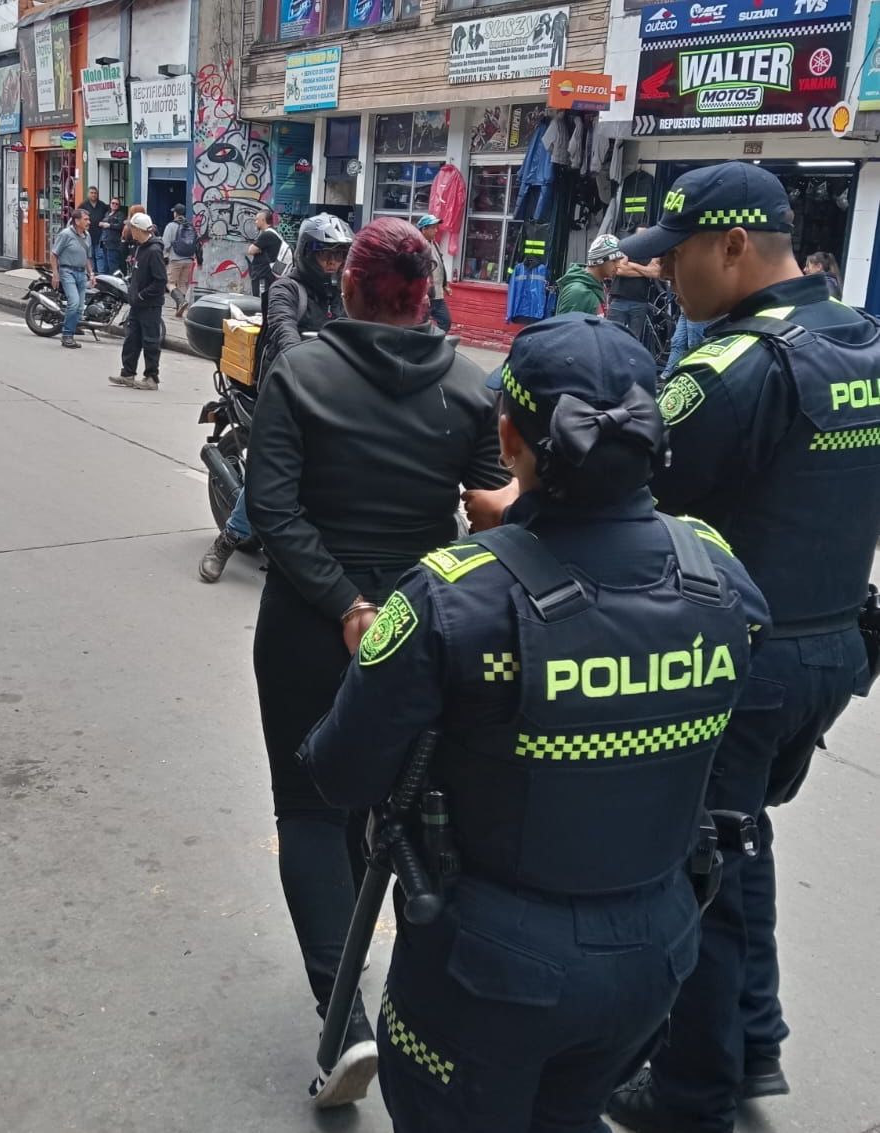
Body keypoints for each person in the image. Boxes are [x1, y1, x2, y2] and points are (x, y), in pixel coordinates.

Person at [301, 312, 770, 1132]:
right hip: (657, 951)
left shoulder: (455, 595)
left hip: (489, 973)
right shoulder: (717, 569)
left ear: (509, 436)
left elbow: (341, 772)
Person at [596, 162, 880, 1133]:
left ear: (728, 247)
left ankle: (690, 1092)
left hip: (737, 668)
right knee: (738, 839)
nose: (665, 275)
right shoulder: (858, 343)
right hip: (833, 649)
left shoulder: (730, 370)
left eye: (673, 256)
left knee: (692, 877)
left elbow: (624, 509)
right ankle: (752, 1040)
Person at [244, 216, 509, 1108]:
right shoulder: (472, 388)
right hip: (429, 623)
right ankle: (418, 1007)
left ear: (349, 290)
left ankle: (345, 1023)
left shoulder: (300, 372)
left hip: (312, 628)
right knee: (404, 806)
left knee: (311, 810)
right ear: (427, 295)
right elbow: (491, 510)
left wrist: (346, 606)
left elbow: (272, 511)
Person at [198, 213, 353, 584]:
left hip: (332, 395)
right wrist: (301, 357)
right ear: (305, 253)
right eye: (324, 255)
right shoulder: (287, 289)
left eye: (337, 255)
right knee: (272, 474)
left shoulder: (343, 293)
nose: (331, 263)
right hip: (286, 392)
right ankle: (227, 540)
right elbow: (284, 330)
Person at [109, 212, 167, 391]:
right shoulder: (139, 247)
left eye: (131, 227)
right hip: (137, 304)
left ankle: (151, 378)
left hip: (149, 305)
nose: (129, 230)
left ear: (138, 229)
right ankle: (128, 373)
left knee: (150, 341)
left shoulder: (154, 251)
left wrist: (141, 295)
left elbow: (160, 281)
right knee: (131, 339)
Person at [51, 209, 95, 349]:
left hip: (81, 274)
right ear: (77, 221)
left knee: (80, 307)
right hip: (67, 271)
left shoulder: (87, 236)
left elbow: (87, 257)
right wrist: (55, 274)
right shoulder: (65, 234)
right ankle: (67, 335)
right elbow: (54, 255)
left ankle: (71, 328)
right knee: (74, 302)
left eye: (88, 219)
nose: (89, 222)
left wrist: (91, 273)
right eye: (86, 219)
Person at [608, 227, 662, 341]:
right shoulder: (625, 249)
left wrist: (632, 266)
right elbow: (620, 270)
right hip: (619, 301)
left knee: (634, 341)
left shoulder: (652, 252)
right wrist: (645, 272)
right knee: (611, 337)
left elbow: (656, 272)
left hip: (640, 302)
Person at [554, 234, 624, 316]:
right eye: (614, 261)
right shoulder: (577, 292)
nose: (619, 265)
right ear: (599, 260)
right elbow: (567, 328)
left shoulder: (598, 285)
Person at [417, 213, 451, 332]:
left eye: (436, 227)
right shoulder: (419, 247)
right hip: (425, 296)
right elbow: (418, 272)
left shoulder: (434, 244)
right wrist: (422, 292)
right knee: (420, 325)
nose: (436, 231)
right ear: (423, 229)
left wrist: (444, 284)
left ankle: (433, 346)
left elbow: (439, 265)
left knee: (445, 322)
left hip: (437, 295)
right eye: (433, 228)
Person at [162, 203, 196, 316]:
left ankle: (181, 301)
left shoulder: (171, 226)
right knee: (182, 284)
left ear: (175, 213)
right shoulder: (190, 225)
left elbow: (165, 244)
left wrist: (164, 256)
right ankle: (179, 310)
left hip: (175, 259)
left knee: (169, 283)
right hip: (189, 259)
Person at [246, 206, 286, 298]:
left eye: (257, 220)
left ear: (263, 220)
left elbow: (251, 250)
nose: (255, 222)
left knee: (260, 301)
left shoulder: (267, 234)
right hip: (266, 275)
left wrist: (259, 249)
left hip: (263, 276)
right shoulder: (274, 233)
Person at [661, 311, 707, 380]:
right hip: (686, 309)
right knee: (678, 342)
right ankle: (669, 375)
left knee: (694, 345)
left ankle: (696, 377)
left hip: (697, 307)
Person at [83, 186, 110, 273]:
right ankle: (92, 275)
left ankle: (101, 277)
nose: (93, 195)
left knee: (100, 256)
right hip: (87, 235)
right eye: (92, 193)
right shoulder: (83, 205)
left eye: (95, 193)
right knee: (90, 256)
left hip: (100, 235)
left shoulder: (102, 205)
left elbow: (110, 214)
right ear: (88, 194)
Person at [99, 196, 125, 275]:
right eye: (113, 203)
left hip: (113, 243)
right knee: (105, 265)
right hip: (104, 242)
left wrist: (109, 225)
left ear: (119, 206)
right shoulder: (107, 213)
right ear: (110, 204)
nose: (114, 205)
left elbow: (120, 226)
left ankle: (114, 283)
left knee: (113, 265)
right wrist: (102, 224)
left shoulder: (120, 214)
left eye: (116, 204)